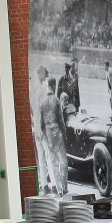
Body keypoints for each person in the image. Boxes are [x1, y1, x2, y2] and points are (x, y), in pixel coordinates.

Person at [34, 66, 67, 194]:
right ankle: (53, 185)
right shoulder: (45, 89)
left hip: (38, 127)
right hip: (44, 130)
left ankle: (44, 185)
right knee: (49, 157)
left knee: (42, 158)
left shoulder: (35, 89)